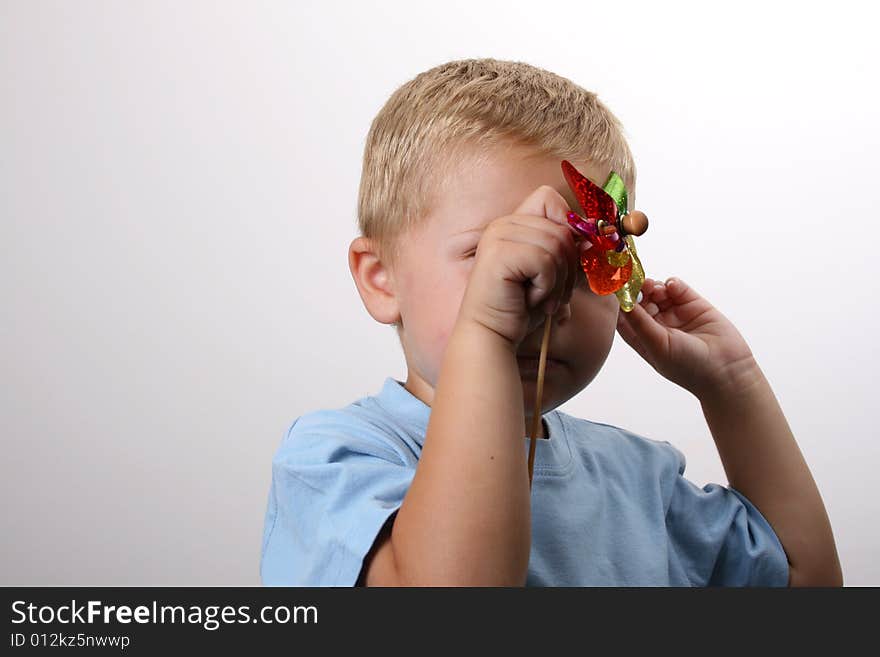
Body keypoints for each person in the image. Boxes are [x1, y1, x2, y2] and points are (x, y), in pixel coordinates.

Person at [260, 58, 842, 586]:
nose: (546, 293)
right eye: (494, 254)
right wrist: (485, 333)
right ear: (380, 276)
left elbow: (805, 585)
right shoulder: (337, 459)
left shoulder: (639, 479)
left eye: (586, 264)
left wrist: (732, 385)